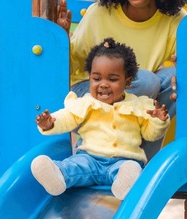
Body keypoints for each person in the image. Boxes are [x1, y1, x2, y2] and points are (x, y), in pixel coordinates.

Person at [31, 38, 170, 200]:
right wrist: (50, 123)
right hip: (90, 158)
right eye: (96, 79)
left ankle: (124, 184)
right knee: (75, 166)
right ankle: (57, 175)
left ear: (128, 82)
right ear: (89, 78)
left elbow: (150, 134)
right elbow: (68, 116)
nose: (103, 84)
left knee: (130, 168)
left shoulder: (139, 105)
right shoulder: (86, 103)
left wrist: (158, 121)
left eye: (112, 79)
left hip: (123, 161)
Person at [56, 0, 187, 160]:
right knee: (147, 81)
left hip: (133, 99)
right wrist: (60, 41)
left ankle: (138, 160)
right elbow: (67, 69)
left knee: (176, 78)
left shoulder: (176, 20)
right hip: (86, 101)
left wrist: (186, 70)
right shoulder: (99, 13)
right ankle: (92, 150)